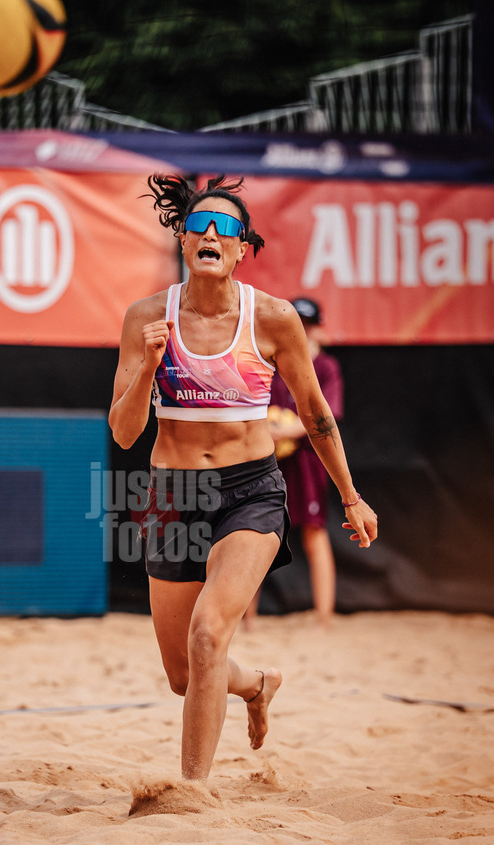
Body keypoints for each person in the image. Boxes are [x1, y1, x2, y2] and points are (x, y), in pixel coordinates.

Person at [108, 174, 377, 784]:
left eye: (225, 227)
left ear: (240, 247)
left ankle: (191, 792)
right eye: (199, 224)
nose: (210, 232)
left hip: (250, 491)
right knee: (183, 676)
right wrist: (149, 368)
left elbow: (315, 414)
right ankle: (257, 684)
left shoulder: (274, 318)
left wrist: (351, 497)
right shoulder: (147, 318)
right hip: (171, 495)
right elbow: (124, 433)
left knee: (209, 635)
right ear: (182, 239)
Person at [244, 297, 343, 628]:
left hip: (306, 458)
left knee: (314, 531)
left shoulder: (325, 367)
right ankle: (249, 618)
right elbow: (254, 407)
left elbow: (323, 416)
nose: (302, 328)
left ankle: (324, 618)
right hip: (268, 457)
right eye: (297, 321)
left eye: (308, 323)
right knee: (256, 532)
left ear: (316, 327)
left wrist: (286, 430)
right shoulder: (272, 362)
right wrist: (269, 432)